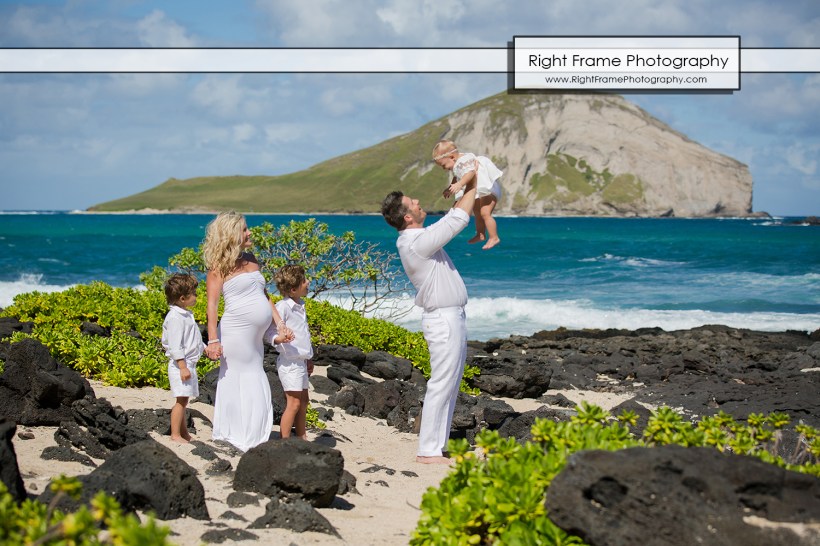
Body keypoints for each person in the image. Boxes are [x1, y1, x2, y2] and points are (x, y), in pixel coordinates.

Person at [380, 173, 478, 464]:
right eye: (413, 202)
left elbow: (455, 217)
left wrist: (467, 186)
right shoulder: (416, 242)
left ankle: (438, 445)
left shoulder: (416, 239)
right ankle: (428, 450)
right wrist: (471, 183)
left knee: (451, 382)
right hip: (443, 319)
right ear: (408, 217)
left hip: (451, 317)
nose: (419, 202)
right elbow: (457, 220)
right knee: (442, 382)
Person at [203, 211, 293, 452]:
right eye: (244, 229)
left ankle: (254, 433)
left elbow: (263, 295)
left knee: (253, 374)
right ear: (232, 234)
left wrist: (279, 322)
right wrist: (212, 340)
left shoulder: (252, 259)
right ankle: (239, 433)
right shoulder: (218, 267)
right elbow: (212, 305)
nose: (249, 232)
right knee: (241, 377)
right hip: (235, 332)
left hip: (255, 335)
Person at [265, 264, 314, 440]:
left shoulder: (300, 305)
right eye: (304, 281)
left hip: (300, 361)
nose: (308, 282)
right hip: (289, 362)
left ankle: (301, 436)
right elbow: (269, 332)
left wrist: (309, 358)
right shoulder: (283, 307)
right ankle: (284, 441)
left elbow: (304, 334)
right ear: (293, 289)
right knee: (293, 404)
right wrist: (279, 338)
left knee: (303, 403)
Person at [432, 139, 503, 250]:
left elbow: (470, 173)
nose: (444, 168)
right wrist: (449, 189)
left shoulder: (463, 161)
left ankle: (494, 237)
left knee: (485, 213)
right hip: (479, 189)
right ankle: (481, 234)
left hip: (488, 188)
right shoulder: (458, 164)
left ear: (451, 157)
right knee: (477, 212)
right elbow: (456, 176)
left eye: (443, 165)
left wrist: (460, 184)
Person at [161, 273, 205, 444]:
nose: (196, 296)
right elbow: (175, 346)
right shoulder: (175, 318)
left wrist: (205, 348)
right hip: (180, 366)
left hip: (188, 364)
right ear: (182, 298)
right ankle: (175, 434)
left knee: (184, 400)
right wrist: (182, 366)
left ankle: (184, 433)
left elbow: (194, 339)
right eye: (193, 293)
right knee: (180, 401)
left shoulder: (186, 315)